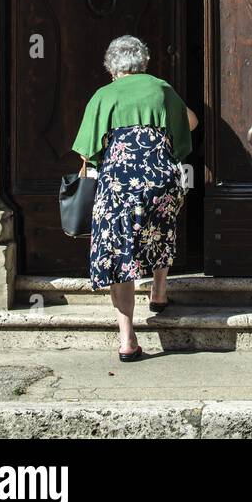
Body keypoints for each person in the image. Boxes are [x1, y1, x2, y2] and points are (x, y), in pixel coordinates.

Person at [72, 35, 198, 362]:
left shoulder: (104, 96)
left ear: (111, 66)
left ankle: (127, 339)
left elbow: (88, 152)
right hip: (161, 180)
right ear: (143, 61)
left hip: (119, 186)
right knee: (159, 229)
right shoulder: (161, 89)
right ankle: (158, 291)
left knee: (119, 255)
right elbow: (191, 125)